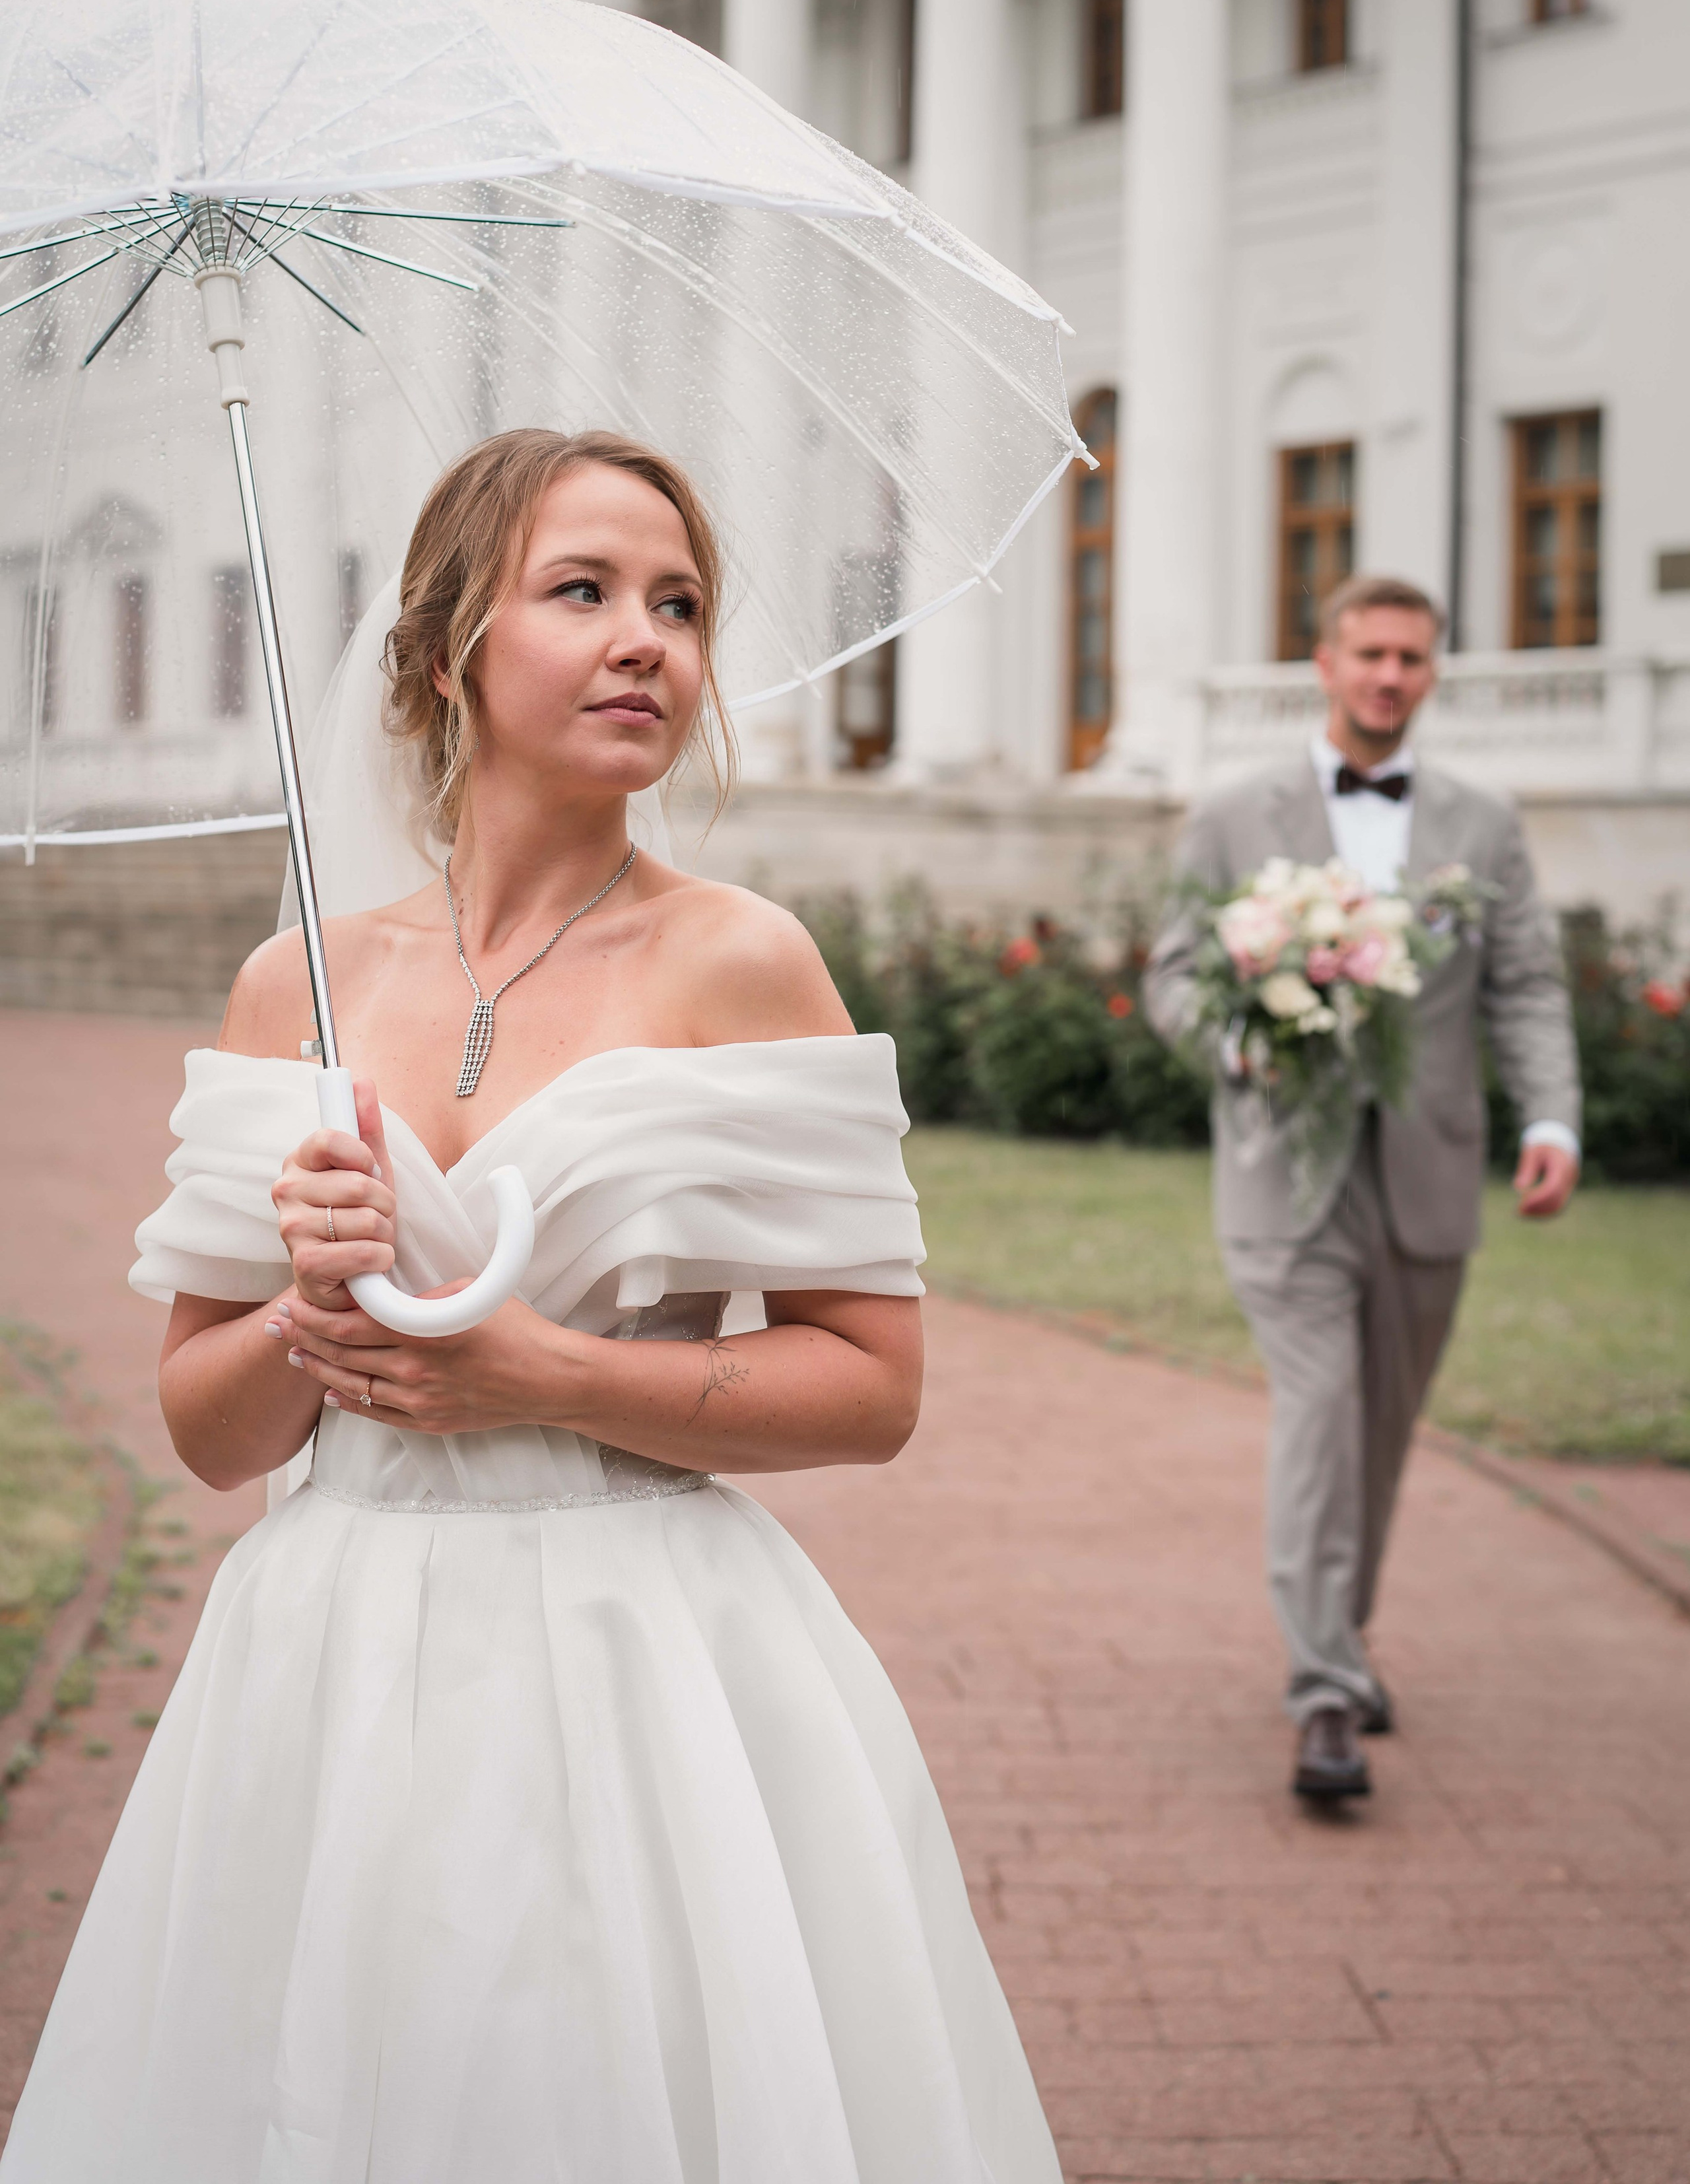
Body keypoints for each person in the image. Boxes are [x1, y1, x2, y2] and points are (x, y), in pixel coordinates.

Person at [2, 428, 1062, 2183]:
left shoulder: (745, 962)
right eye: (582, 590)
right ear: (443, 654)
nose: (646, 637)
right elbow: (207, 1429)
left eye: (680, 603)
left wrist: (537, 1371)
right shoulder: (299, 987)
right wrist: (306, 1308)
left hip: (642, 1646)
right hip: (323, 1652)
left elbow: (874, 1385)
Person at [1145, 574, 1580, 1802]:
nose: (1391, 675)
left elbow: (1529, 985)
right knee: (1324, 1411)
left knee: (1381, 1432)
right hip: (1284, 1172)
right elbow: (1175, 974)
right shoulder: (1235, 813)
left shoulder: (1484, 823)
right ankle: (1325, 1690)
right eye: (1370, 652)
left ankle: (1340, 1631)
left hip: (1429, 1171)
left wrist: (1550, 1115)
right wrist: (1240, 1039)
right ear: (1325, 663)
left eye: (1413, 657)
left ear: (1431, 673)